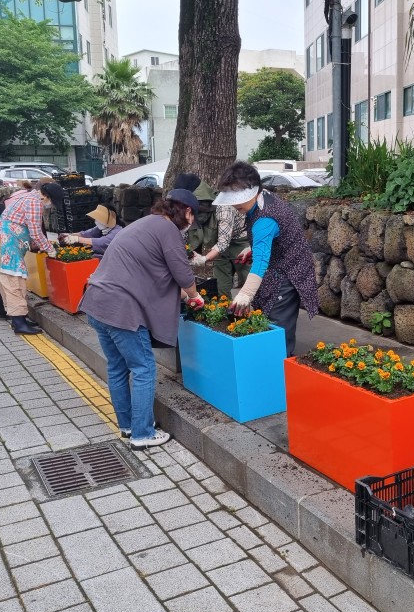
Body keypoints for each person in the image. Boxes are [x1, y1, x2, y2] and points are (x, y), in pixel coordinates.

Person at [79, 189, 206, 450]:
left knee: (117, 367)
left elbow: (152, 270)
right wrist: (194, 295)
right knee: (144, 367)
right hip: (121, 309)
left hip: (97, 302)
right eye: (193, 216)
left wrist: (181, 293)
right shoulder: (168, 229)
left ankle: (127, 425)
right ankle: (143, 434)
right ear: (188, 212)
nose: (191, 223)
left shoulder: (144, 223)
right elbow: (182, 272)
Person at [213, 162, 319, 356]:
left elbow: (261, 262)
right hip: (279, 266)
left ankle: (279, 370)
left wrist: (244, 295)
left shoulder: (265, 219)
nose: (235, 204)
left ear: (253, 191)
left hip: (289, 273)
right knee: (265, 317)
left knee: (277, 327)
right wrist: (251, 248)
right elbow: (270, 241)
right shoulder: (263, 198)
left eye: (238, 198)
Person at [0, 181, 60, 335]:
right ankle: (19, 323)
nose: (52, 205)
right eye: (53, 201)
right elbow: (35, 232)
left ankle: (18, 319)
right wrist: (50, 249)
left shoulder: (28, 198)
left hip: (2, 243)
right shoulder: (35, 202)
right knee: (14, 283)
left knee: (12, 283)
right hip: (5, 246)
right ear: (46, 196)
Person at [176, 173, 251, 298]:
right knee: (222, 282)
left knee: (247, 278)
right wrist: (186, 254)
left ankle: (255, 312)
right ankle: (225, 310)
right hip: (218, 243)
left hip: (240, 240)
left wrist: (204, 259)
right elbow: (183, 236)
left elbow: (224, 242)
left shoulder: (223, 207)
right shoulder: (190, 213)